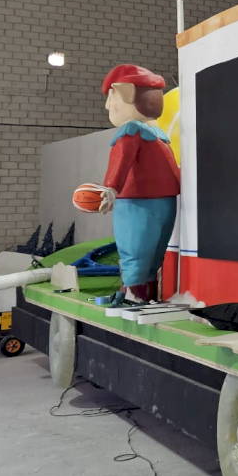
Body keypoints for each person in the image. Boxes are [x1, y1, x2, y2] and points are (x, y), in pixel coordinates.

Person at [88, 64, 180, 307]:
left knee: (136, 252)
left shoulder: (131, 131)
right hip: (166, 201)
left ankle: (134, 296)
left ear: (127, 94)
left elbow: (121, 160)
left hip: (136, 202)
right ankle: (143, 295)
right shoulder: (159, 135)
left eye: (111, 97)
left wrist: (111, 188)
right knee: (152, 254)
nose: (108, 105)